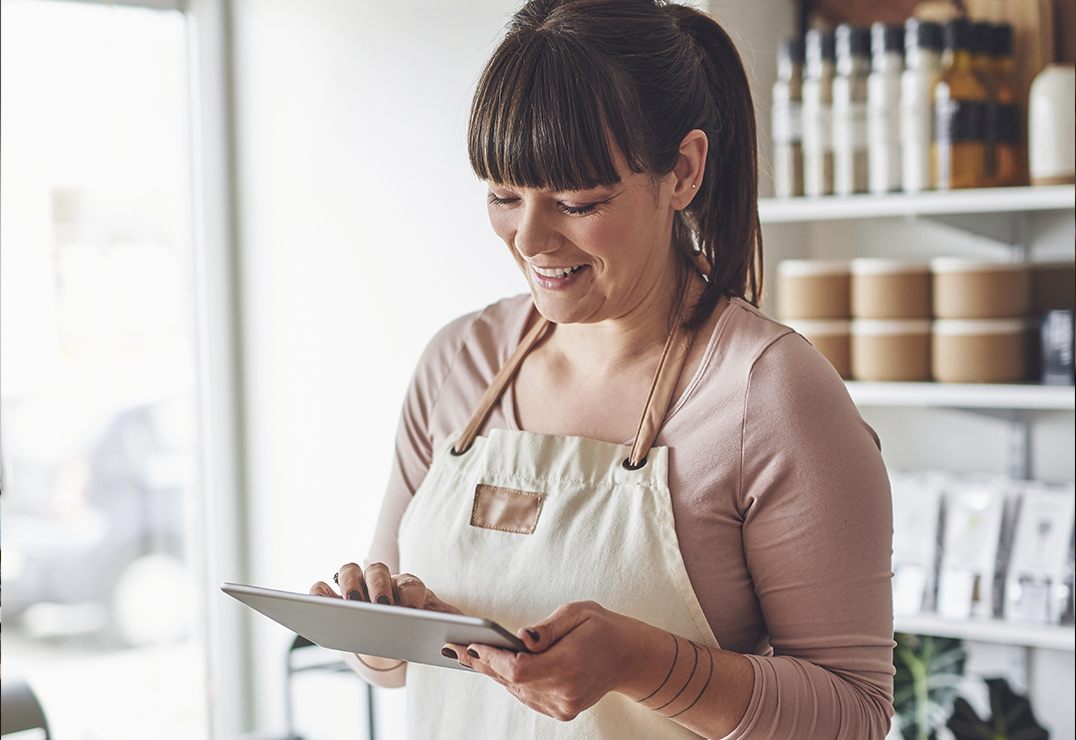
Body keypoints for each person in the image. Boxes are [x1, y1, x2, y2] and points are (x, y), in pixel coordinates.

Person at [310, 0, 895, 737]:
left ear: (682, 171)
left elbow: (854, 715)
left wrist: (640, 662)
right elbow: (388, 665)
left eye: (577, 201)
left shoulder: (770, 395)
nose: (529, 237)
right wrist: (379, 624)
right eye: (503, 195)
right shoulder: (459, 362)